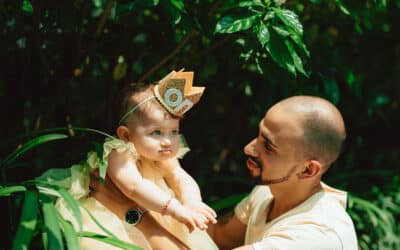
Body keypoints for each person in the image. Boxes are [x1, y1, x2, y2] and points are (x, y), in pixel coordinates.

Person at [90, 95, 358, 249]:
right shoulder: (267, 192)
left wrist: (130, 211)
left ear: (308, 169)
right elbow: (216, 237)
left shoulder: (313, 237)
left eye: (268, 146)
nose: (248, 148)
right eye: (258, 134)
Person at [38, 70, 218, 250]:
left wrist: (191, 201)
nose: (167, 141)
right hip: (110, 218)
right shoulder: (118, 151)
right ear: (125, 134)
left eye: (174, 131)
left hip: (153, 212)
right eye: (156, 132)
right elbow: (133, 187)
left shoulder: (162, 155)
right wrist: (177, 210)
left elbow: (180, 177)